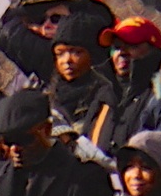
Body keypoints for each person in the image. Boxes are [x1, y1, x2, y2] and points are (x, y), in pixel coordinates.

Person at [0, 0, 118, 92]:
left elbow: (39, 54)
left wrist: (7, 18)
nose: (46, 25)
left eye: (56, 19)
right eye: (42, 20)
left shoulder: (91, 52)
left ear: (80, 18)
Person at [47, 15, 129, 153]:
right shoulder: (49, 99)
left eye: (76, 52)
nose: (67, 60)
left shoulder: (105, 95)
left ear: (91, 56)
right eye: (60, 53)